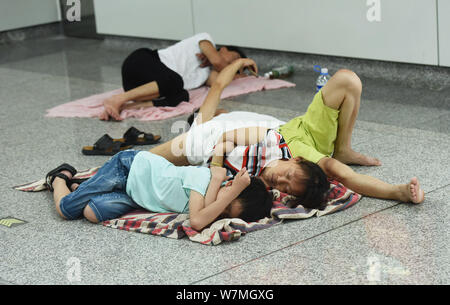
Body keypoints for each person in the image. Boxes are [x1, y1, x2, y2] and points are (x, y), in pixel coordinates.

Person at [149, 61, 425, 205]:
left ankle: (343, 147)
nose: (223, 114)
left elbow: (220, 89)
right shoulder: (202, 125)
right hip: (287, 143)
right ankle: (395, 191)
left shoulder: (238, 122)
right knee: (149, 160)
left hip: (290, 131)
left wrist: (240, 63)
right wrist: (241, 61)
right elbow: (219, 86)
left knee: (348, 80)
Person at [45, 150, 273, 231]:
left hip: (137, 196)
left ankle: (81, 187)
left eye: (224, 214)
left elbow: (207, 208)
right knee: (66, 210)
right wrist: (232, 191)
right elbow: (197, 221)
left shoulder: (214, 185)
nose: (219, 212)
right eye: (226, 205)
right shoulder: (202, 177)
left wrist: (223, 188)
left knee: (91, 213)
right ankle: (60, 178)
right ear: (231, 187)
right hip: (129, 168)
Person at [100, 32, 248, 121]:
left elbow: (219, 81)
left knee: (182, 96)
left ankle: (127, 106)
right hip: (141, 62)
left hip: (144, 88)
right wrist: (230, 62)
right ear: (223, 49)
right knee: (176, 81)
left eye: (236, 68)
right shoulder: (205, 39)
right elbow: (218, 61)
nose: (232, 64)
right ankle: (117, 99)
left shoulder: (207, 73)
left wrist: (234, 74)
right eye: (234, 59)